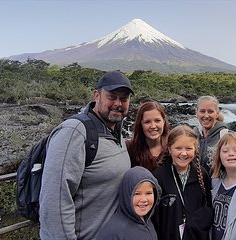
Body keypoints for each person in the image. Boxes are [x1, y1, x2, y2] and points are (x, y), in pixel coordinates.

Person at [39, 71, 134, 240]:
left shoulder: (115, 130)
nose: (118, 103)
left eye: (124, 99)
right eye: (112, 96)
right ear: (97, 95)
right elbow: (54, 201)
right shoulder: (74, 132)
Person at [152, 125, 213, 240]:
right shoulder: (158, 176)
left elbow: (208, 207)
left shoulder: (202, 174)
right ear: (169, 149)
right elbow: (154, 217)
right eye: (178, 148)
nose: (184, 153)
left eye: (189, 149)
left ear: (195, 149)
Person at [96, 166, 161, 240]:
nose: (143, 199)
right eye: (137, 194)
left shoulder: (147, 220)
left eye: (148, 193)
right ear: (126, 195)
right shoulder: (114, 232)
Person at [126, 101, 170, 171]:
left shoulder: (172, 146)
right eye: (147, 122)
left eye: (157, 121)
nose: (153, 126)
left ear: (164, 122)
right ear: (140, 124)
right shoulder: (129, 148)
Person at [194, 96, 228, 173]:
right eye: (202, 111)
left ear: (217, 114)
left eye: (210, 111)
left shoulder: (226, 136)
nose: (206, 115)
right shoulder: (193, 135)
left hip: (217, 184)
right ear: (196, 113)